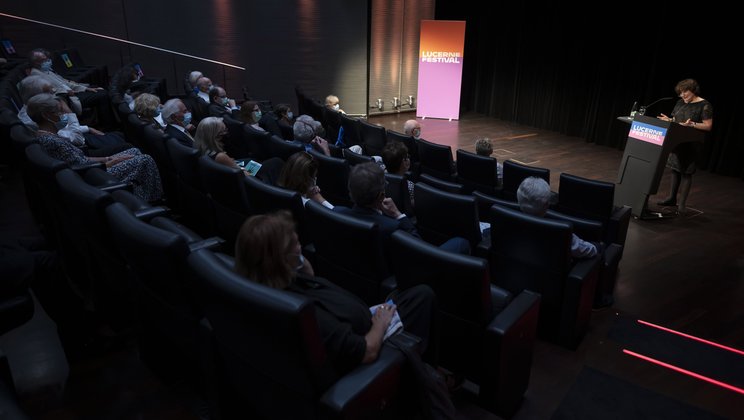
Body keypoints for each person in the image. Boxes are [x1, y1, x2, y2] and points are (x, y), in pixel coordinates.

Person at [234, 211, 438, 376]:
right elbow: (366, 352)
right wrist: (380, 323)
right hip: (370, 347)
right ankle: (422, 376)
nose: (301, 247)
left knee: (415, 294)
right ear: (280, 261)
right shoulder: (305, 312)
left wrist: (302, 267)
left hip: (360, 320)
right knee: (424, 296)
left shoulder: (267, 282)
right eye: (296, 245)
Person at [27, 93, 163, 202]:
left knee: (134, 151)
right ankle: (152, 200)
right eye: (59, 112)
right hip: (92, 177)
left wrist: (106, 158)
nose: (63, 116)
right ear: (46, 115)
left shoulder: (49, 135)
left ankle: (141, 193)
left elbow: (80, 158)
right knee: (145, 159)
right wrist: (109, 162)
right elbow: (79, 166)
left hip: (92, 168)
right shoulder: (50, 140)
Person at [336, 162, 470, 254]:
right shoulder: (391, 227)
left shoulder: (339, 213)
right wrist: (398, 215)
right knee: (460, 243)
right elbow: (419, 249)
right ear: (381, 196)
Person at [656, 78, 713, 213]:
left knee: (686, 173)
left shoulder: (704, 105)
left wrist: (692, 124)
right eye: (680, 93)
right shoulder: (680, 103)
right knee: (675, 169)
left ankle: (681, 205)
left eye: (685, 93)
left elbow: (708, 126)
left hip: (692, 143)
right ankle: (671, 199)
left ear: (693, 91)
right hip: (677, 141)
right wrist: (669, 120)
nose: (682, 96)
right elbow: (677, 120)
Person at [517, 177, 597, 259]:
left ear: (518, 199)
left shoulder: (506, 220)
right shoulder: (560, 230)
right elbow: (589, 250)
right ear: (547, 205)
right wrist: (597, 247)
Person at [381, 140, 414, 207]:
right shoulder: (410, 186)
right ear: (404, 163)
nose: (408, 158)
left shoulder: (378, 173)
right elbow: (411, 205)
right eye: (406, 157)